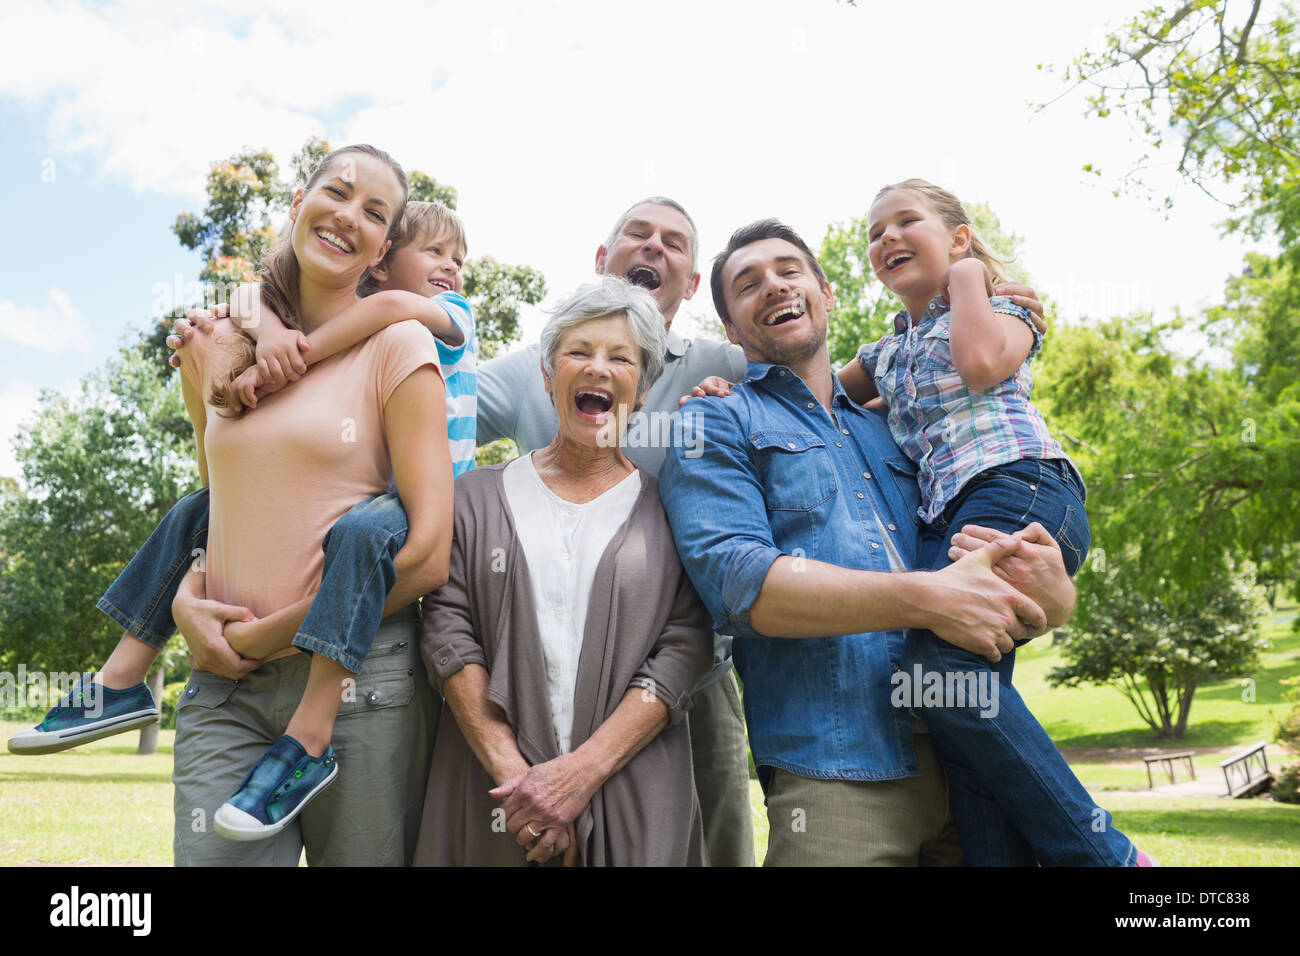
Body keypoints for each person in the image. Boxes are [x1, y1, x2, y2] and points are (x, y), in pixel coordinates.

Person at [659, 219, 1083, 866]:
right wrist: (927, 598)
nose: (773, 286)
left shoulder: (912, 433)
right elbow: (741, 584)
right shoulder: (713, 420)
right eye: (748, 284)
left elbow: (979, 564)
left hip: (976, 769)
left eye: (789, 270)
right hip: (835, 778)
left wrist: (1055, 603)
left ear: (826, 292)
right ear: (732, 330)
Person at [7, 200, 475, 769]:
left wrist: (289, 357)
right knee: (195, 510)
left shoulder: (433, 317)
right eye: (435, 252)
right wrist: (265, 334)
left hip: (408, 507)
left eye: (458, 258)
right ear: (381, 264)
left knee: (358, 535)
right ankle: (121, 677)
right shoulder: (346, 322)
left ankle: (311, 731)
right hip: (370, 504)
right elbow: (244, 300)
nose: (452, 267)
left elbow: (397, 307)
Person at [87, 144, 447, 866]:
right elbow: (222, 510)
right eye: (337, 193)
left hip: (358, 683)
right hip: (226, 688)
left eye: (374, 213)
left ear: (381, 250)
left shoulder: (398, 345)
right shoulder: (223, 347)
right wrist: (189, 601)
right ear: (296, 203)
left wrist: (274, 634)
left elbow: (427, 556)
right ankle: (117, 683)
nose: (349, 216)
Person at [828, 178, 1142, 865]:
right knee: (957, 708)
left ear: (960, 237)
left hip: (1021, 489)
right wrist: (723, 387)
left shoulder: (1005, 309)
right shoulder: (884, 353)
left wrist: (968, 278)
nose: (885, 238)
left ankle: (1108, 857)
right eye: (873, 233)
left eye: (905, 221)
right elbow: (812, 397)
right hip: (953, 519)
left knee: (935, 667)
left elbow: (978, 366)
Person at [415, 277, 713, 866]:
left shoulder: (675, 508)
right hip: (492, 793)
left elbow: (685, 646)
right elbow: (446, 632)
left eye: (620, 357)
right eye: (578, 352)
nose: (598, 368)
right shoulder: (472, 498)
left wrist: (579, 775)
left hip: (632, 794)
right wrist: (522, 785)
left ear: (644, 386)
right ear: (549, 376)